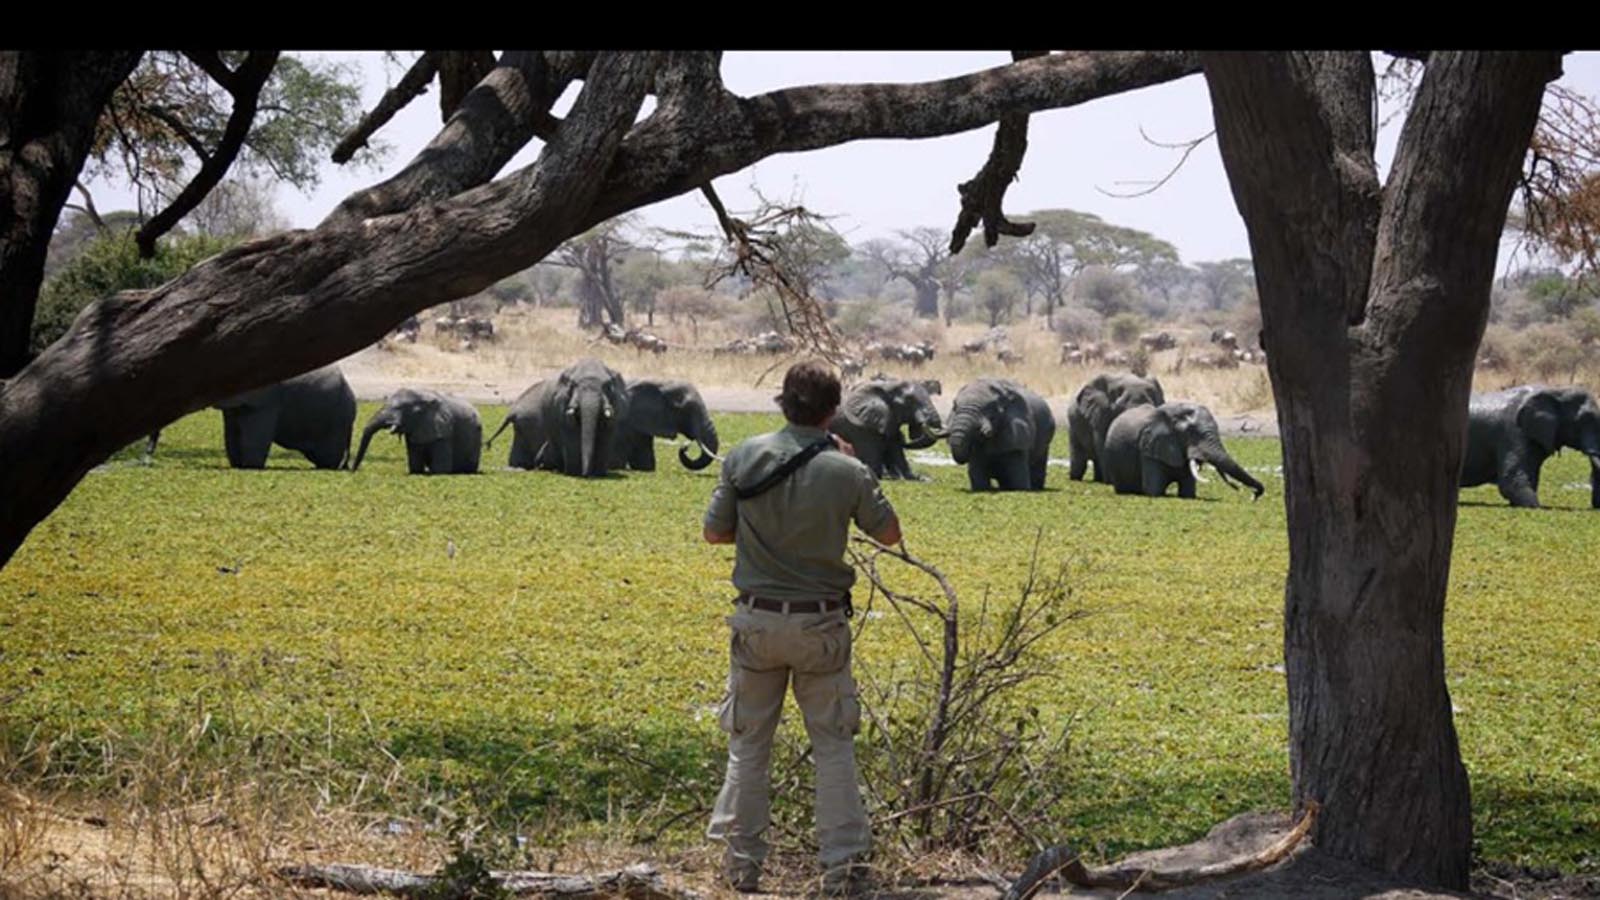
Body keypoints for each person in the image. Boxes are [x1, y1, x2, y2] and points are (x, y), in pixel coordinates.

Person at [703, 360, 903, 895]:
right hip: (820, 626)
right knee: (833, 747)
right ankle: (841, 869)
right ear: (833, 411)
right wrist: (855, 470)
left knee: (748, 747)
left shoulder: (744, 456)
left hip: (756, 622)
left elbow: (715, 533)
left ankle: (741, 868)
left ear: (783, 402)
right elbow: (888, 533)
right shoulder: (845, 470)